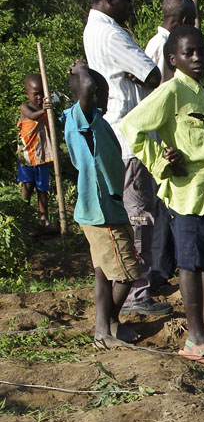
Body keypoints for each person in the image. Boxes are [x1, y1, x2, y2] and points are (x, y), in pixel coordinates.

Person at [120, 25, 204, 369]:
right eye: (189, 53)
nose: (198, 58)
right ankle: (195, 340)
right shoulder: (172, 90)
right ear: (173, 59)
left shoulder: (199, 91)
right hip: (186, 195)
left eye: (202, 51)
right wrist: (161, 162)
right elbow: (132, 126)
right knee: (190, 264)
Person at [83, 0, 170, 318]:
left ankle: (131, 287)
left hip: (115, 136)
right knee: (139, 215)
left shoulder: (95, 29)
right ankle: (137, 293)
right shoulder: (111, 34)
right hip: (129, 136)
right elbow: (153, 73)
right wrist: (142, 73)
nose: (132, 8)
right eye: (128, 0)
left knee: (128, 214)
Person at [63, 60, 141, 349]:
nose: (108, 100)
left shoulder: (91, 120)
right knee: (128, 272)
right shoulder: (82, 117)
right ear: (93, 95)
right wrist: (81, 69)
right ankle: (106, 328)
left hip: (102, 209)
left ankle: (107, 328)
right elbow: (85, 86)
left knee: (104, 274)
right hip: (102, 212)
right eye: (104, 94)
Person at [145, 0, 197, 292]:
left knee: (168, 205)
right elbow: (152, 95)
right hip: (160, 140)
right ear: (184, 20)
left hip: (170, 138)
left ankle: (165, 268)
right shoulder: (159, 47)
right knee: (162, 207)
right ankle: (158, 273)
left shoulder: (166, 44)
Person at [16, 74, 54, 228]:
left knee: (42, 189)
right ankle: (23, 218)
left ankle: (44, 220)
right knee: (27, 187)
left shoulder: (46, 111)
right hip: (27, 157)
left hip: (41, 157)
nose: (39, 97)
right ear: (27, 94)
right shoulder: (25, 108)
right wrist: (44, 110)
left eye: (42, 93)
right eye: (35, 94)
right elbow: (32, 116)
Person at [145, 0, 197, 71]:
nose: (194, 25)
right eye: (193, 19)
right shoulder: (161, 45)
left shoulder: (168, 42)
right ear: (185, 21)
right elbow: (160, 78)